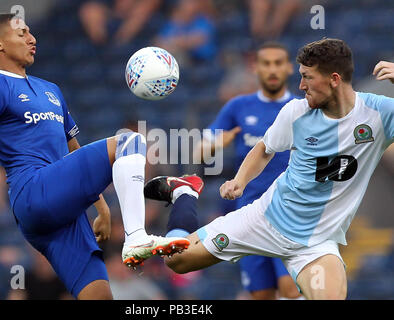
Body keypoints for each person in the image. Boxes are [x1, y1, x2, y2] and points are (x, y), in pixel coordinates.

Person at [0, 13, 189, 300]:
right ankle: (136, 237)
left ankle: (134, 237)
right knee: (130, 141)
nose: (32, 39)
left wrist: (102, 208)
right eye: (22, 33)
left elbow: (74, 152)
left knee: (99, 296)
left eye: (31, 33)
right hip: (33, 192)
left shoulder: (52, 91)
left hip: (61, 213)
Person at [145, 39, 394, 300]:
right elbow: (264, 148)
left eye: (307, 78)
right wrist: (239, 181)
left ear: (333, 79)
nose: (301, 86)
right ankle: (183, 194)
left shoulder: (378, 113)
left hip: (316, 245)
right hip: (263, 220)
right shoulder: (296, 112)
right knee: (176, 260)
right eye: (300, 77)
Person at [194, 41, 301, 300]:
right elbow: (198, 152)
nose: (272, 69)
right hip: (249, 215)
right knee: (261, 294)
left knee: (290, 288)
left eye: (278, 63)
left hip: (290, 214)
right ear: (256, 68)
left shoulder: (301, 108)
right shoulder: (238, 107)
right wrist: (215, 145)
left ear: (289, 68)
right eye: (266, 63)